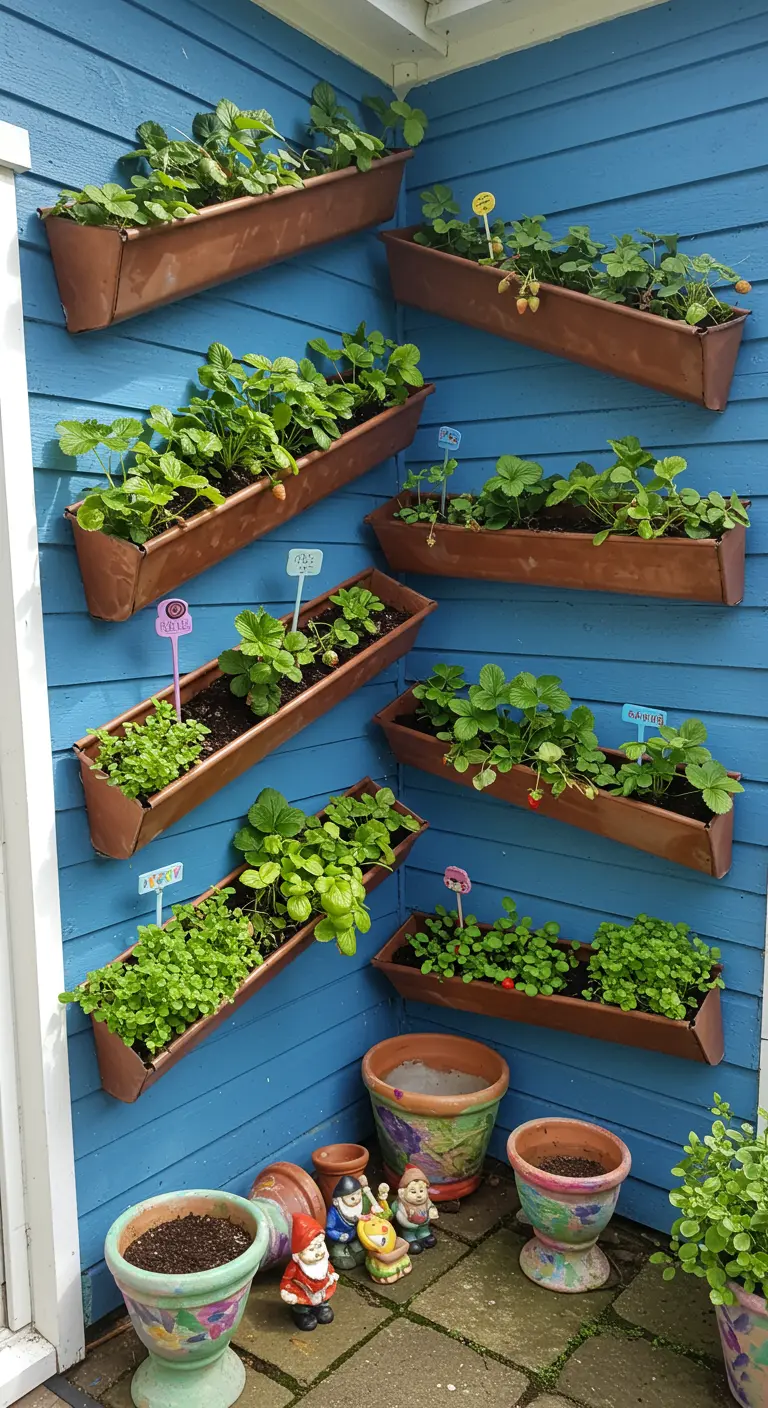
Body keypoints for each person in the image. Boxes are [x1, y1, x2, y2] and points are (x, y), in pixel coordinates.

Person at [279, 1214, 338, 1331]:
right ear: (299, 1254)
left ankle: (321, 1308)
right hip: (303, 1295)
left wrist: (332, 1275)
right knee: (302, 1308)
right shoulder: (295, 1267)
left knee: (325, 1309)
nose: (318, 1253)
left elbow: (329, 1269)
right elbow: (286, 1281)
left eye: (319, 1246)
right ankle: (302, 1314)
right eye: (311, 1249)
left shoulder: (324, 1262)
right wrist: (287, 1292)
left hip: (322, 1291)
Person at [325, 1173, 390, 1269]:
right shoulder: (334, 1213)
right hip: (340, 1240)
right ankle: (341, 1255)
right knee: (342, 1257)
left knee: (361, 1253)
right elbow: (329, 1229)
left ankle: (355, 1253)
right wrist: (339, 1236)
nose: (356, 1200)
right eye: (352, 1198)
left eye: (358, 1194)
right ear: (337, 1201)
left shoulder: (361, 1204)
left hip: (355, 1236)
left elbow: (369, 1213)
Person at [390, 1163, 438, 1254]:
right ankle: (410, 1240)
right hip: (409, 1228)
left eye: (421, 1191)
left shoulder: (426, 1201)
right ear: (402, 1193)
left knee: (425, 1233)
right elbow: (401, 1217)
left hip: (424, 1225)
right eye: (413, 1192)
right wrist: (409, 1225)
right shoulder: (403, 1205)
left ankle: (424, 1236)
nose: (419, 1195)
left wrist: (432, 1211)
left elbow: (430, 1207)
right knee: (411, 1237)